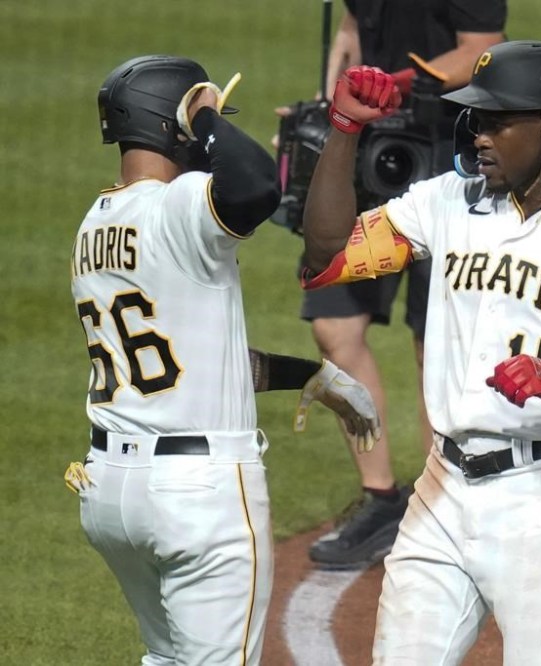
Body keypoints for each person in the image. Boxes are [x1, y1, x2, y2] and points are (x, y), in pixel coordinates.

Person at [301, 40, 541, 663]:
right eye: (474, 119)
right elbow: (326, 257)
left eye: (495, 120)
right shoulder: (447, 202)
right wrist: (346, 128)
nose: (477, 134)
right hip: (444, 488)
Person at [64, 54, 379, 665]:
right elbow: (256, 187)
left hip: (112, 493)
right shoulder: (179, 203)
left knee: (165, 658)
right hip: (197, 497)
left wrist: (307, 374)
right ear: (175, 124)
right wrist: (204, 115)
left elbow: (187, 360)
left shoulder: (94, 224)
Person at [303, 0, 507, 571]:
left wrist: (390, 87)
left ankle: (444, 503)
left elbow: (482, 47)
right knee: (332, 328)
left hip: (444, 151)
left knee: (435, 338)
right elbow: (350, 29)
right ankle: (381, 500)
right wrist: (331, 107)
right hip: (367, 142)